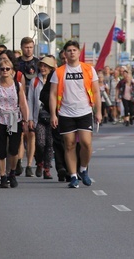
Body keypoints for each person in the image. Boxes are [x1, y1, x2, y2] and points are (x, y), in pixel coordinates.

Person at [49, 40, 102, 189]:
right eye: (69, 50)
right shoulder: (59, 72)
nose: (72, 52)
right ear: (65, 54)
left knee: (86, 143)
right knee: (69, 144)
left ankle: (83, 169)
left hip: (84, 111)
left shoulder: (88, 69)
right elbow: (53, 94)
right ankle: (73, 176)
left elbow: (97, 92)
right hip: (66, 112)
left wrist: (99, 111)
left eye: (74, 50)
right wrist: (53, 114)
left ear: (79, 52)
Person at [0, 58, 29, 188]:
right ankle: (3, 176)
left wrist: (25, 120)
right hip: (0, 119)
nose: (5, 71)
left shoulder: (18, 85)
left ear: (12, 70)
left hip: (14, 119)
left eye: (7, 69)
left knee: (13, 150)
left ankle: (12, 172)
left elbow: (23, 104)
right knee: (0, 151)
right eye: (2, 69)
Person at [15, 36, 39, 177]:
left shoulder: (38, 63)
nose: (28, 50)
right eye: (26, 47)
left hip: (34, 102)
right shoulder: (16, 64)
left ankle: (29, 165)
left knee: (31, 134)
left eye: (30, 47)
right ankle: (19, 161)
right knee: (20, 133)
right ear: (22, 47)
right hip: (18, 100)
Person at [28, 55, 56, 179]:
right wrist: (29, 118)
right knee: (40, 143)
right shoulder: (34, 81)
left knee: (50, 143)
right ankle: (39, 162)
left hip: (52, 116)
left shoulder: (54, 81)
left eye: (46, 66)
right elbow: (30, 101)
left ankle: (47, 168)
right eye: (41, 66)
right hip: (38, 117)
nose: (43, 68)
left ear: (50, 68)